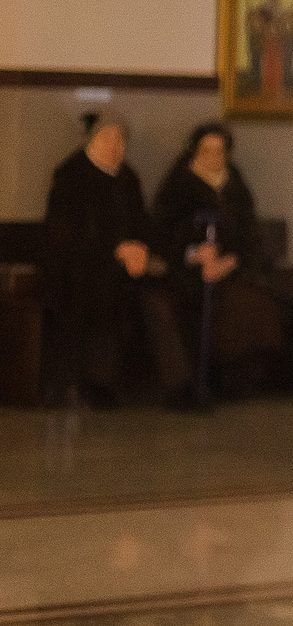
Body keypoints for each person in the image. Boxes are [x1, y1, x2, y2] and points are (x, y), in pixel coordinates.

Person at [38, 113, 187, 410]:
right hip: (78, 271)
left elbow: (143, 224)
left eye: (121, 139)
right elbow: (65, 238)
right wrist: (116, 250)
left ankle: (178, 384)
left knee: (160, 298)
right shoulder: (71, 177)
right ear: (91, 141)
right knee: (105, 295)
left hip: (126, 266)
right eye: (107, 137)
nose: (115, 145)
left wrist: (141, 251)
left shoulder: (127, 177)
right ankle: (98, 385)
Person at [152, 121, 286, 403]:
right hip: (188, 270)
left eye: (219, 151)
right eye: (206, 151)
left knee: (248, 303)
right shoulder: (179, 183)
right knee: (192, 305)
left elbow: (249, 234)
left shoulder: (234, 183)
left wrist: (230, 261)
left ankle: (235, 379)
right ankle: (192, 384)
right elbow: (161, 235)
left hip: (231, 267)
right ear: (194, 152)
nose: (213, 157)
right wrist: (194, 255)